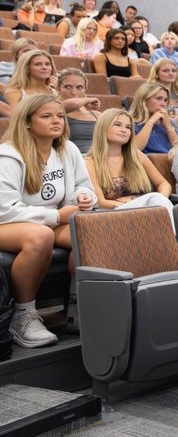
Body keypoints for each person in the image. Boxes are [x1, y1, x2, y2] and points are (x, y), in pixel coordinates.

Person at [0, 95, 95, 348]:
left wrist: (83, 196)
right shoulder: (8, 155)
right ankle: (23, 315)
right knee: (41, 236)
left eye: (60, 116)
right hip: (7, 222)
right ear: (27, 122)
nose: (57, 121)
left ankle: (78, 305)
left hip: (48, 220)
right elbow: (5, 210)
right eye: (46, 116)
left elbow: (83, 185)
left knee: (90, 231)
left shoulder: (68, 149)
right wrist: (56, 216)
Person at [84, 109, 173, 216]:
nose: (124, 130)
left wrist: (161, 198)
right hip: (114, 214)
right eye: (117, 125)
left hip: (147, 211)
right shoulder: (89, 162)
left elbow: (164, 183)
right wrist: (137, 206)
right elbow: (100, 202)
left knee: (158, 199)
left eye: (128, 127)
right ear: (103, 127)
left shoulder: (137, 155)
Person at [57, 68, 102, 153]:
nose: (74, 92)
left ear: (85, 89)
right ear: (58, 88)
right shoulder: (57, 109)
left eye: (79, 87)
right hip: (74, 157)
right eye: (68, 87)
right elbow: (73, 104)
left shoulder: (97, 114)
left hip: (99, 157)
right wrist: (87, 100)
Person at [130, 82, 178, 155]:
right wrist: (151, 122)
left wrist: (168, 126)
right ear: (144, 100)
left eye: (165, 100)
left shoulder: (170, 123)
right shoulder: (130, 122)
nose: (163, 104)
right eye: (158, 99)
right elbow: (135, 149)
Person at [147, 59, 178, 127]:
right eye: (166, 71)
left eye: (174, 71)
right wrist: (174, 121)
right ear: (156, 73)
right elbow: (145, 117)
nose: (171, 73)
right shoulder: (149, 92)